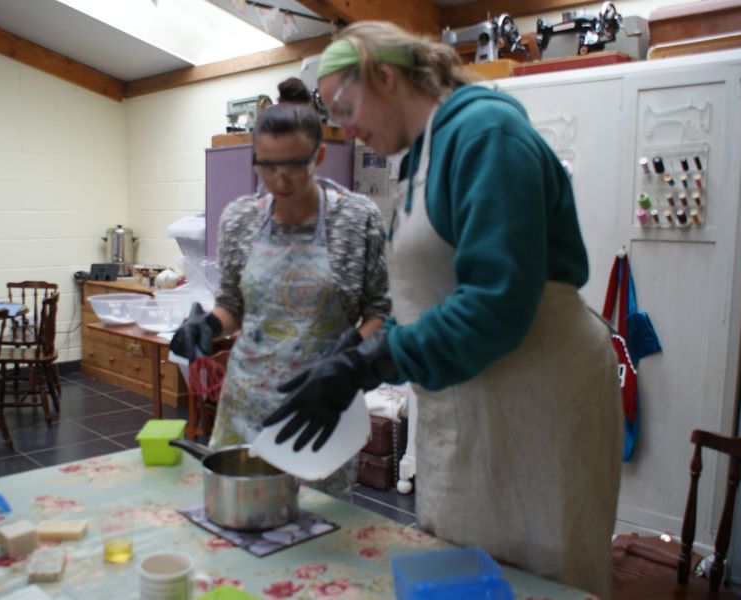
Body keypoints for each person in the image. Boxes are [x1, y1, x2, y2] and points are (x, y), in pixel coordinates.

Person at [262, 22, 622, 597]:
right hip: (472, 395)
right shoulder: (421, 157)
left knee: (536, 578)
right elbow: (436, 293)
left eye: (346, 105)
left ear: (385, 75)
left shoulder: (486, 134)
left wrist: (372, 363)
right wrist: (358, 347)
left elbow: (495, 300)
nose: (345, 127)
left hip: (538, 398)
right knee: (466, 572)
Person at [170, 78, 391, 496]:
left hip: (321, 406)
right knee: (237, 521)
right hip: (246, 405)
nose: (280, 179)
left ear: (319, 156)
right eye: (266, 166)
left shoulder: (357, 220)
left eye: (293, 165)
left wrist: (348, 358)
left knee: (315, 541)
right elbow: (232, 304)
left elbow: (380, 312)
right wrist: (208, 327)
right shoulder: (239, 219)